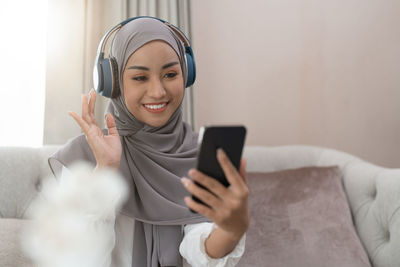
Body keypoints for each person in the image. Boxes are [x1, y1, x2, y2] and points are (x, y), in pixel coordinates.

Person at [48, 17, 249, 267]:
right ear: (113, 83)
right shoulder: (83, 156)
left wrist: (231, 230)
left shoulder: (196, 154)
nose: (158, 92)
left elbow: (200, 250)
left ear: (186, 75)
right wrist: (105, 173)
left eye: (170, 74)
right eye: (140, 78)